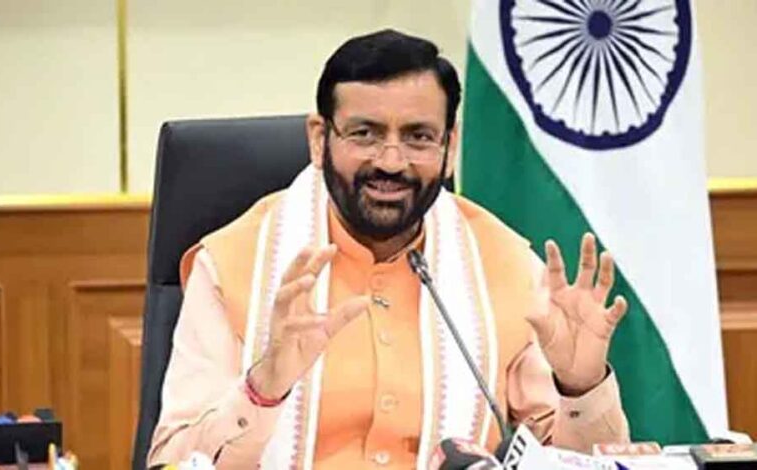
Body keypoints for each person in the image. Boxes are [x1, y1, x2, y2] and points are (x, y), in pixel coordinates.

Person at [147, 29, 630, 469]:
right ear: (319, 139)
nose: (392, 162)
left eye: (418, 137)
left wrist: (580, 387)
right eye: (365, 134)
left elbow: (568, 462)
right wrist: (262, 389)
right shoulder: (233, 264)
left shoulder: (506, 265)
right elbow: (172, 460)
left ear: (450, 147)